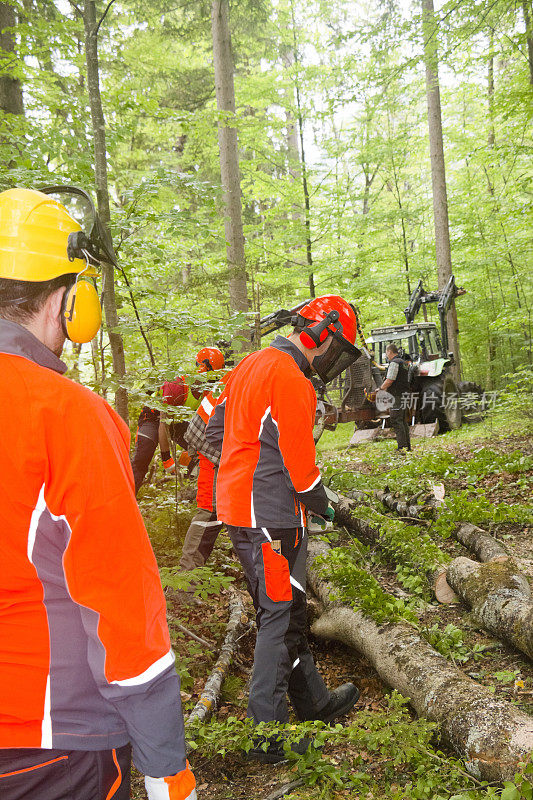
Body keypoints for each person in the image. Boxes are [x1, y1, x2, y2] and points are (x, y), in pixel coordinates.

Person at [0, 187, 196, 800]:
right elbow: (121, 609)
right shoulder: (64, 413)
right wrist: (165, 763)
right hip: (53, 744)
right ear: (67, 299)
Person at [206, 295, 361, 763]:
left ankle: (313, 701)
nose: (332, 359)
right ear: (320, 334)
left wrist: (241, 469)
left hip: (239, 510)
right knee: (278, 614)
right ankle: (268, 736)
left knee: (286, 609)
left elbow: (211, 431)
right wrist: (333, 510)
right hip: (270, 517)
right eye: (336, 348)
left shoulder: (250, 363)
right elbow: (304, 475)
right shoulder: (292, 381)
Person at [179, 352, 228, 572]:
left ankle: (195, 567)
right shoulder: (225, 385)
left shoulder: (223, 383)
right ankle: (187, 572)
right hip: (208, 447)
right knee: (208, 510)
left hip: (206, 443)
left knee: (216, 510)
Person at [380, 342, 411, 451]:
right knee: (402, 421)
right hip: (404, 394)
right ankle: (407, 447)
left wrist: (380, 389)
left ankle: (401, 448)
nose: (386, 355)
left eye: (386, 353)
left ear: (389, 351)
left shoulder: (394, 363)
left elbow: (390, 380)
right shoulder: (404, 363)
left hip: (396, 395)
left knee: (396, 420)